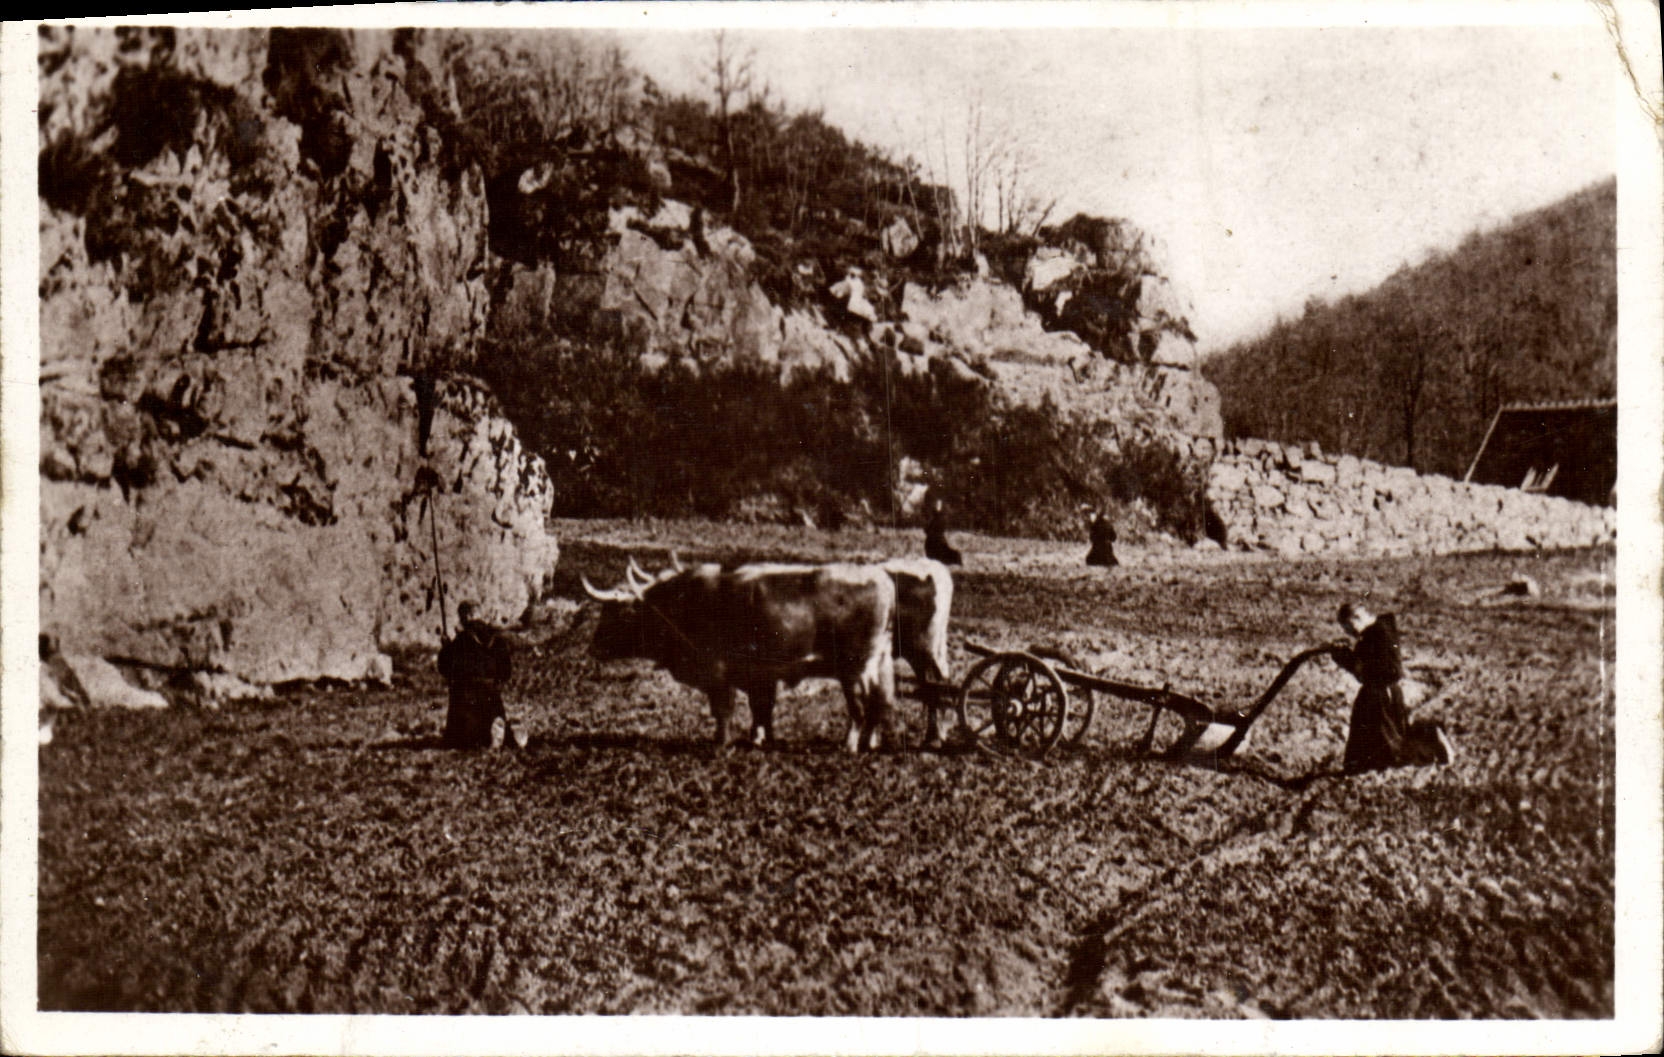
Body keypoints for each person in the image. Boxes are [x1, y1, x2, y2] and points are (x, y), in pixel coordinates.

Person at [1331, 602, 1454, 773]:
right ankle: (1429, 738)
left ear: (1357, 618)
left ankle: (1430, 737)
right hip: (1386, 694)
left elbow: (1388, 670)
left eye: (1350, 628)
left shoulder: (1376, 636)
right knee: (1391, 740)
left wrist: (1348, 661)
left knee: (1388, 747)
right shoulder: (1380, 632)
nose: (1350, 633)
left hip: (1378, 698)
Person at [437, 602, 522, 750]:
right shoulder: (496, 638)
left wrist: (446, 648)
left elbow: (445, 667)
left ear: (467, 616)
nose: (461, 621)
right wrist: (496, 682)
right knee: (493, 714)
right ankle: (496, 731)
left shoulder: (462, 640)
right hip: (492, 695)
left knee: (463, 737)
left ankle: (476, 737)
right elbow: (506, 671)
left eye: (461, 617)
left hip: (467, 697)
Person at [923, 492, 962, 566]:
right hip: (934, 544)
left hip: (934, 543)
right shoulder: (938, 518)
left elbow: (929, 530)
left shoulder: (940, 518)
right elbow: (927, 530)